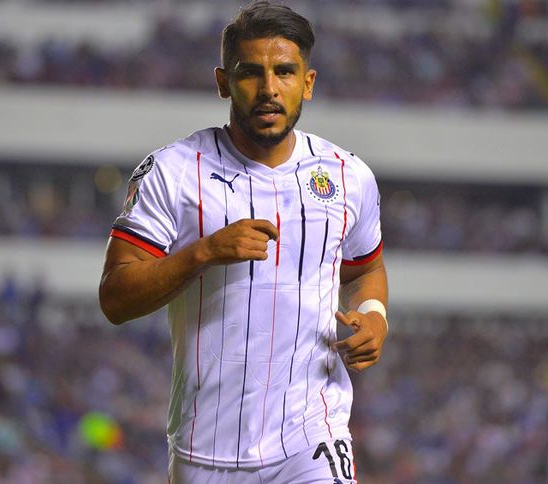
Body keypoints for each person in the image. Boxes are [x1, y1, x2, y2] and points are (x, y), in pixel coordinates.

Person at [98, 2, 388, 482]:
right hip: (206, 450)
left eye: (285, 72)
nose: (269, 88)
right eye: (250, 72)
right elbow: (115, 298)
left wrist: (374, 316)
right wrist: (203, 253)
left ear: (308, 83)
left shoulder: (347, 176)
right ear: (222, 82)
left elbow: (364, 270)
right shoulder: (173, 171)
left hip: (312, 439)